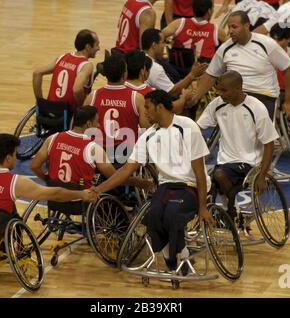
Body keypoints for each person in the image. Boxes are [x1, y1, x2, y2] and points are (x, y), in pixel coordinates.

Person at [90, 89, 214, 274]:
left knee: (172, 214)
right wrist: (99, 189)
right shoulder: (148, 135)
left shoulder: (187, 126)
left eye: (147, 107)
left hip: (191, 186)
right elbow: (126, 170)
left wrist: (203, 207)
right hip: (166, 186)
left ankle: (178, 259)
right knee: (153, 216)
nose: (145, 112)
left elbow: (199, 172)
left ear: (160, 107)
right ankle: (178, 257)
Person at [0, 134, 97, 222]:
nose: (16, 158)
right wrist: (81, 194)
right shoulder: (16, 182)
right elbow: (54, 194)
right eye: (15, 155)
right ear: (8, 158)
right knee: (10, 214)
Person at [197, 71, 279, 221]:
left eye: (224, 90)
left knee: (219, 175)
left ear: (238, 88)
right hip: (224, 162)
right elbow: (198, 128)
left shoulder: (256, 108)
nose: (220, 94)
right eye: (219, 89)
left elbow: (269, 144)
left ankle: (233, 211)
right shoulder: (217, 104)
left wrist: (262, 176)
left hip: (250, 163)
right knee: (205, 186)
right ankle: (227, 218)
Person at [191, 11, 290, 120]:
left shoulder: (267, 44)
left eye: (234, 27)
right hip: (234, 95)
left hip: (263, 95)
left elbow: (289, 70)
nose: (230, 31)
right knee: (210, 117)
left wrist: (288, 102)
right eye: (229, 27)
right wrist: (195, 98)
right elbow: (211, 75)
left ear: (247, 26)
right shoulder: (225, 48)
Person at [30, 106, 149, 191]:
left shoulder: (52, 138)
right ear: (88, 124)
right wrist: (136, 182)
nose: (98, 126)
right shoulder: (93, 148)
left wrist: (48, 180)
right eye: (96, 122)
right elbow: (113, 178)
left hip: (54, 195)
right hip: (80, 199)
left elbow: (34, 166)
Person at [83, 54, 150, 164]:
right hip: (125, 157)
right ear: (124, 75)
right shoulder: (137, 98)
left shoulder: (92, 96)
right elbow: (146, 129)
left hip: (99, 155)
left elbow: (83, 128)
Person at [32, 29, 100, 114]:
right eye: (97, 45)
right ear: (88, 47)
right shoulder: (86, 65)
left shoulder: (62, 57)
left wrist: (40, 102)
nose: (98, 48)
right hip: (67, 112)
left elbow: (37, 73)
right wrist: (82, 106)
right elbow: (77, 90)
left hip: (50, 108)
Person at [142, 28, 207, 96]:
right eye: (163, 42)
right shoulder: (155, 68)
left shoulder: (139, 56)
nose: (165, 45)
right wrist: (192, 75)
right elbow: (173, 92)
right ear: (154, 45)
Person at [162, 0, 227, 64]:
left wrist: (168, 41)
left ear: (193, 10)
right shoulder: (217, 30)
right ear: (209, 11)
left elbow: (159, 35)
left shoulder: (179, 23)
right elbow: (231, 45)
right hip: (203, 71)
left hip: (179, 68)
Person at [124, 49, 187, 114]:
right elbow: (173, 108)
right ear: (143, 72)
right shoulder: (150, 94)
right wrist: (184, 97)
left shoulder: (117, 87)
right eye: (148, 69)